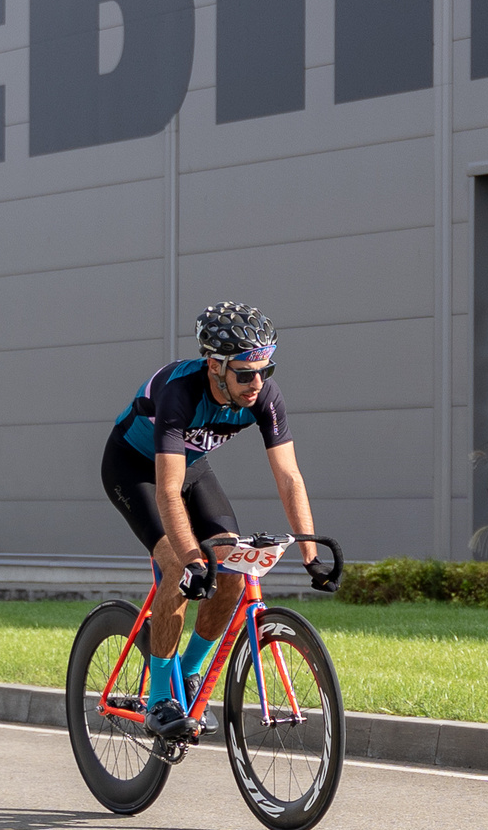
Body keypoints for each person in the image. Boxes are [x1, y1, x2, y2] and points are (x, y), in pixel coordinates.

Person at [100, 302, 322, 739]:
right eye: (245, 373)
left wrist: (312, 554)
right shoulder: (178, 392)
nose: (257, 383)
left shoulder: (263, 396)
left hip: (192, 467)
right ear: (214, 366)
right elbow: (166, 490)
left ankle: (188, 672)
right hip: (135, 469)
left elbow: (289, 476)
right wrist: (190, 561)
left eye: (265, 370)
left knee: (236, 572)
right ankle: (161, 699)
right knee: (181, 570)